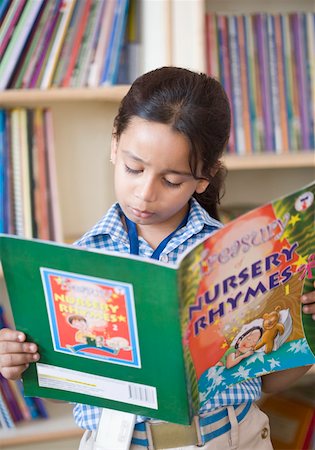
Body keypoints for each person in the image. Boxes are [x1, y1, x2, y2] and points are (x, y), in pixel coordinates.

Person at [0, 67, 314, 450]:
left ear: (204, 176)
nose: (145, 194)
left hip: (231, 438)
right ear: (114, 143)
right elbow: (68, 390)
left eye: (171, 181)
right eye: (134, 168)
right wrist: (21, 363)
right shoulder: (80, 259)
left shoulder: (242, 257)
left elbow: (265, 377)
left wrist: (306, 332)